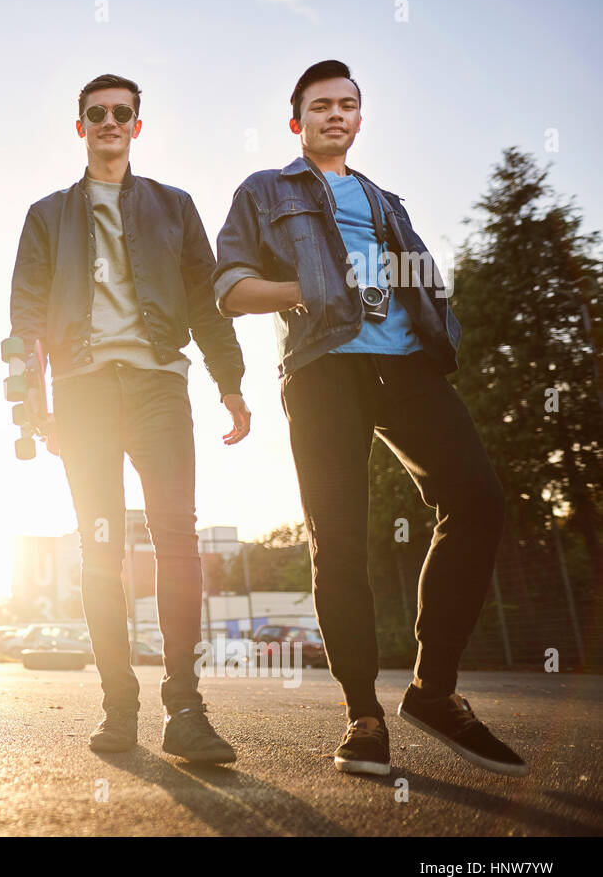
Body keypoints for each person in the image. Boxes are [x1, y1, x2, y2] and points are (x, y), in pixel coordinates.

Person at [213, 60, 528, 777]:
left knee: (477, 500)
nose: (335, 114)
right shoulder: (266, 191)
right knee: (340, 539)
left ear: (359, 118)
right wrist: (312, 288)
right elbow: (229, 287)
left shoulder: (387, 201)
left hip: (408, 365)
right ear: (298, 121)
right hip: (325, 368)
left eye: (347, 104)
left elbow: (416, 277)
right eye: (320, 105)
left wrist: (436, 317)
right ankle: (363, 714)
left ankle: (433, 690)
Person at [9, 74, 252, 760]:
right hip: (83, 396)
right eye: (97, 113)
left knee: (178, 539)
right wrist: (34, 406)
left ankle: (185, 710)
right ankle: (120, 707)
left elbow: (207, 302)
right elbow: (25, 317)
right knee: (100, 551)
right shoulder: (46, 215)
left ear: (137, 126)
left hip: (158, 390)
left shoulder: (174, 208)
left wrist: (229, 381)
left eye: (123, 113)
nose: (110, 122)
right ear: (80, 126)